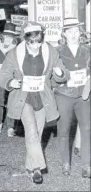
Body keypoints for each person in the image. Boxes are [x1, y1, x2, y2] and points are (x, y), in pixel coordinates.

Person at [0, 21, 69, 184]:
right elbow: (3, 75)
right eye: (31, 42)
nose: (35, 46)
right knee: (31, 131)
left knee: (37, 133)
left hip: (43, 98)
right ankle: (38, 169)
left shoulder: (50, 51)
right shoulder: (15, 54)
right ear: (25, 39)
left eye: (38, 42)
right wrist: (11, 82)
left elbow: (63, 72)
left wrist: (59, 72)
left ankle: (30, 167)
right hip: (24, 98)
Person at [54, 18, 90, 178]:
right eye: (70, 31)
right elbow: (52, 75)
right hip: (64, 95)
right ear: (64, 34)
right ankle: (65, 164)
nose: (74, 34)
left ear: (80, 33)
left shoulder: (88, 49)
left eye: (76, 31)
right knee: (63, 131)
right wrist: (58, 78)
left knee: (87, 129)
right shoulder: (57, 51)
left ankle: (86, 165)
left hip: (84, 95)